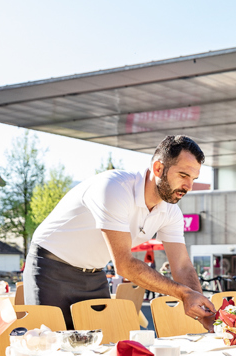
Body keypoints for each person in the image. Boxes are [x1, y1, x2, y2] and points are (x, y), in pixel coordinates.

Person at [24, 135, 216, 330]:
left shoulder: (171, 212)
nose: (189, 186)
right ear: (158, 168)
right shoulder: (115, 188)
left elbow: (182, 266)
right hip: (49, 267)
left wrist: (205, 313)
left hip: (94, 273)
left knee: (103, 346)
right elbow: (124, 266)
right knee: (50, 348)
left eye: (193, 179)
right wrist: (183, 294)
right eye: (183, 175)